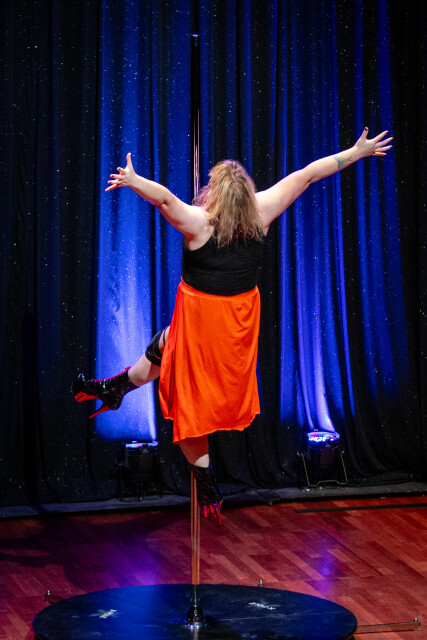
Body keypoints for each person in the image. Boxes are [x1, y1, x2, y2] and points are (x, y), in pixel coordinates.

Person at [73, 127, 392, 521]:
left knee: (187, 400)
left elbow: (165, 199)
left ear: (216, 195)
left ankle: (206, 482)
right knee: (166, 343)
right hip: (235, 329)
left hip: (204, 324)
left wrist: (135, 181)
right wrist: (356, 153)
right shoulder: (262, 212)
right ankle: (116, 388)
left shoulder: (199, 223)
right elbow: (308, 174)